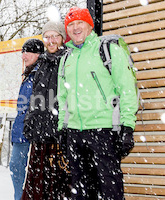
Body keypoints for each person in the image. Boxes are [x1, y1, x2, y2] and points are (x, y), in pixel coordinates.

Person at [57, 7, 138, 199]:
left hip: (104, 132)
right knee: (81, 191)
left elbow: (126, 89)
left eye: (80, 23)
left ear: (89, 26)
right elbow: (63, 98)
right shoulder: (66, 58)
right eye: (71, 25)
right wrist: (62, 128)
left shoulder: (109, 50)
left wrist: (127, 127)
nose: (75, 28)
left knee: (110, 190)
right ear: (67, 30)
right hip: (76, 133)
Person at [21, 21, 71, 199]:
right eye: (47, 37)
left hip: (59, 133)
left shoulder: (68, 60)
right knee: (37, 183)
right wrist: (29, 121)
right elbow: (36, 97)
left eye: (55, 36)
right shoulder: (40, 64)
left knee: (58, 183)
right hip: (39, 133)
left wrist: (64, 128)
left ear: (62, 38)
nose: (51, 41)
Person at [9, 38, 44, 200]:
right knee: (16, 166)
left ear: (38, 54)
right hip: (21, 130)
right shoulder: (29, 73)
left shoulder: (40, 73)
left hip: (31, 131)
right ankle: (20, 196)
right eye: (22, 52)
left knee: (28, 169)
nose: (23, 55)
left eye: (27, 52)